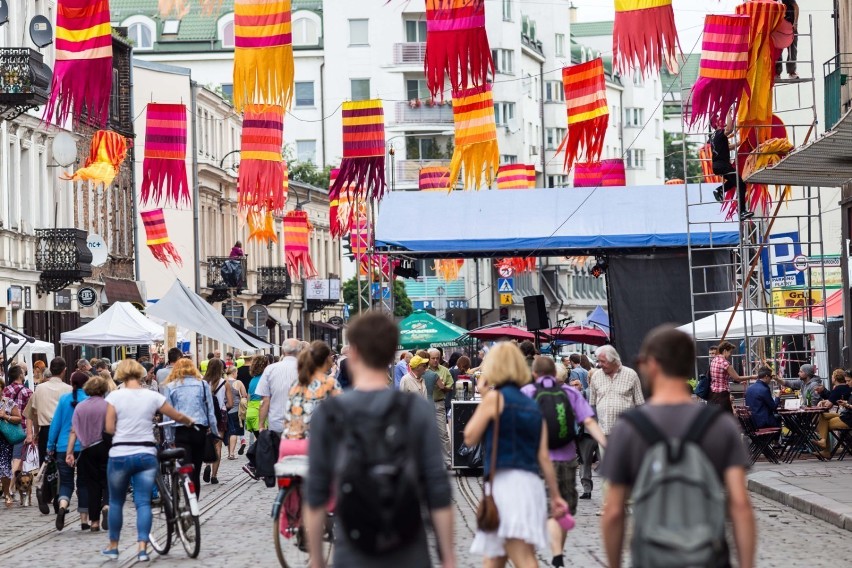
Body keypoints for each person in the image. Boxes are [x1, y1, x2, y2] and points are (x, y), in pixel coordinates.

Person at [304, 312, 455, 567]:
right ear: (391, 356)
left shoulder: (329, 413)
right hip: (410, 550)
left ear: (352, 354)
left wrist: (317, 560)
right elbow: (437, 489)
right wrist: (449, 558)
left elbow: (316, 492)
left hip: (353, 551)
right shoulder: (416, 410)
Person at [600, 326, 755, 568]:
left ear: (652, 364)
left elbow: (613, 511)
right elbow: (740, 505)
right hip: (707, 557)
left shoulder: (628, 428)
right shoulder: (720, 426)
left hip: (651, 558)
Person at [464, 342, 568, 566]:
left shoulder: (495, 399)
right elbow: (543, 456)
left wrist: (484, 398)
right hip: (530, 484)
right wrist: (556, 495)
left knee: (522, 557)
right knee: (494, 557)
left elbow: (470, 436)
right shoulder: (532, 405)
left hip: (506, 485)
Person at [102, 360, 195, 562]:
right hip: (145, 453)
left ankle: (113, 546)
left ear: (121, 374)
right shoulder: (152, 396)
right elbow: (175, 415)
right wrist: (189, 421)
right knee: (143, 502)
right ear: (141, 374)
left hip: (120, 454)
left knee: (116, 502)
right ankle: (142, 548)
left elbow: (108, 428)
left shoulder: (114, 396)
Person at [521, 356, 606, 568]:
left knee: (550, 508)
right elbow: (588, 421)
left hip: (537, 460)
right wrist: (605, 442)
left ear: (534, 374)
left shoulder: (527, 393)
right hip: (567, 457)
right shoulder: (570, 393)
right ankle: (558, 553)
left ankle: (556, 553)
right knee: (564, 509)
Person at [588, 345, 643, 513]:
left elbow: (640, 403)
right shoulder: (596, 376)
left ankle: (630, 503)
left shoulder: (631, 374)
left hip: (627, 431)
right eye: (598, 361)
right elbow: (592, 403)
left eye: (603, 361)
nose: (600, 364)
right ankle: (609, 505)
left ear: (614, 361)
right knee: (607, 470)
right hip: (604, 431)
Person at [162, 359, 219, 497]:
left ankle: (186, 493)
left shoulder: (170, 386)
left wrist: (169, 439)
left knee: (185, 466)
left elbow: (167, 416)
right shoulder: (203, 385)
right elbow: (210, 412)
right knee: (196, 470)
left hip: (181, 432)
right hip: (199, 430)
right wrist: (215, 433)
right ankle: (194, 505)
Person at [66, 374, 111, 531]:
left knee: (92, 485)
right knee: (107, 481)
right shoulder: (107, 405)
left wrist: (69, 452)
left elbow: (73, 431)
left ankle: (94, 522)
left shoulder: (80, 406)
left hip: (87, 450)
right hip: (106, 447)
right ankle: (106, 505)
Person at [280, 341, 341, 456]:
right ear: (328, 359)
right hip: (312, 445)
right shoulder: (329, 383)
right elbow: (341, 416)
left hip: (288, 444)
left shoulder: (297, 383)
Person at [48, 370, 89, 531]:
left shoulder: (64, 399)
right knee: (83, 483)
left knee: (65, 483)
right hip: (85, 447)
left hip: (64, 447)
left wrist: (50, 446)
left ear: (72, 383)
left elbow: (55, 424)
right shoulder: (88, 400)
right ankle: (84, 519)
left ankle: (63, 506)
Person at [26, 357, 71, 465]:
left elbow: (33, 414)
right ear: (64, 370)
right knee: (64, 468)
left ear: (50, 369)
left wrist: (34, 433)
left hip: (46, 431)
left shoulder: (40, 389)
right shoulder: (69, 389)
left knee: (47, 470)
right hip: (64, 432)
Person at [710, 109, 752, 219]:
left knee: (734, 181)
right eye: (719, 119)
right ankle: (742, 212)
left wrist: (740, 143)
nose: (722, 119)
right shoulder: (719, 133)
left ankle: (719, 190)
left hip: (718, 166)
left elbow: (727, 147)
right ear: (715, 123)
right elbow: (729, 128)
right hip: (723, 165)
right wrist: (728, 111)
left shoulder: (714, 136)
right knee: (741, 184)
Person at [257, 338, 302, 434]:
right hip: (301, 423)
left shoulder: (270, 369)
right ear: (300, 351)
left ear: (283, 351)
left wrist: (261, 425)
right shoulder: (307, 369)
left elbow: (265, 400)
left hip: (276, 424)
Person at [3, 365, 32, 483]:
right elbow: (30, 413)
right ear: (20, 375)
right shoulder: (28, 392)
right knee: (18, 459)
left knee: (6, 458)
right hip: (21, 429)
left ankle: (5, 484)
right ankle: (13, 485)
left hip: (5, 428)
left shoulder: (5, 390)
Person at [709, 341, 754, 413]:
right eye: (729, 352)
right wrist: (752, 377)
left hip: (713, 393)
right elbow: (737, 378)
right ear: (724, 351)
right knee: (728, 417)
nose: (730, 354)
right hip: (722, 394)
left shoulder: (714, 360)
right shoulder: (725, 363)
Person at [202, 358, 228, 484]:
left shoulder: (202, 382)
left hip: (206, 413)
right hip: (220, 414)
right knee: (218, 445)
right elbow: (231, 402)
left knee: (208, 441)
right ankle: (214, 476)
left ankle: (207, 464)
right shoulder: (224, 383)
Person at [428, 348, 453, 468]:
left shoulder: (444, 370)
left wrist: (443, 387)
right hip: (426, 403)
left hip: (439, 402)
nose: (435, 360)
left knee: (443, 433)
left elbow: (450, 386)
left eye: (437, 358)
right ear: (428, 358)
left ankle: (448, 461)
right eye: (433, 358)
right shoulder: (424, 370)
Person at [0, 384, 23, 507]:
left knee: (4, 468)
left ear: (2, 389)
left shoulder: (8, 402)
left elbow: (19, 419)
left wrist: (5, 416)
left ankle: (7, 493)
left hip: (4, 440)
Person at [224, 365, 247, 460]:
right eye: (236, 373)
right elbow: (245, 395)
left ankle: (229, 452)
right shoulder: (238, 383)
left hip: (225, 410)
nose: (237, 375)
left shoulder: (223, 382)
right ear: (233, 373)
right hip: (235, 410)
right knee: (234, 432)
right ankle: (232, 454)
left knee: (228, 432)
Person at [244, 355, 269, 443]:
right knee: (266, 445)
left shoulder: (253, 380)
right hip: (261, 413)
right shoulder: (265, 379)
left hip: (251, 413)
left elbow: (248, 398)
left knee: (261, 443)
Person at [775, 0, 799, 79]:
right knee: (777, 50)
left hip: (790, 27)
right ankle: (777, 73)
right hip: (778, 28)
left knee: (793, 50)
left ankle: (792, 72)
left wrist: (795, 23)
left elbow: (796, 7)